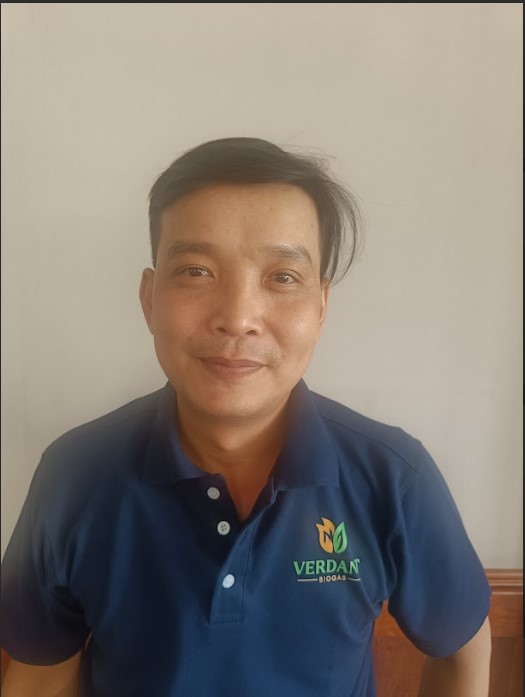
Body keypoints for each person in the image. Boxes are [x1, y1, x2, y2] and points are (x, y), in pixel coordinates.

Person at [1, 137, 491, 697]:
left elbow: (462, 650)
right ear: (149, 299)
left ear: (321, 306)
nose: (237, 318)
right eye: (196, 271)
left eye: (282, 277)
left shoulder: (394, 478)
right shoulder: (73, 474)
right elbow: (42, 674)